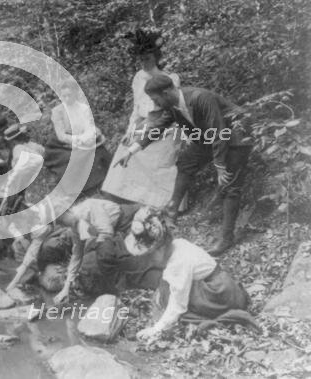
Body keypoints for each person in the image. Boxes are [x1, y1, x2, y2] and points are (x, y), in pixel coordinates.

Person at [114, 74, 252, 255]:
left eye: (156, 99)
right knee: (186, 162)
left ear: (166, 92)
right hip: (208, 137)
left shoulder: (201, 98)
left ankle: (226, 238)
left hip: (235, 135)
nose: (155, 104)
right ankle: (172, 210)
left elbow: (219, 131)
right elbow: (158, 127)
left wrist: (219, 165)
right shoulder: (172, 105)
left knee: (229, 184)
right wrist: (131, 151)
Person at [126, 207, 254, 342]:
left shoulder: (178, 262)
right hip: (225, 286)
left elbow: (178, 304)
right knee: (165, 286)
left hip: (220, 293)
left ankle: (193, 318)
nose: (150, 259)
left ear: (161, 248)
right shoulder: (178, 244)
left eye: (152, 254)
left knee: (172, 300)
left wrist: (156, 329)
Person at [102, 29, 182, 207]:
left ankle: (160, 201)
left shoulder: (170, 78)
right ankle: (126, 195)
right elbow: (137, 109)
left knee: (158, 155)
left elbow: (169, 110)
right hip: (145, 123)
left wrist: (149, 127)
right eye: (141, 59)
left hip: (165, 126)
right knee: (126, 145)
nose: (144, 62)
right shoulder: (138, 77)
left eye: (147, 58)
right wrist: (130, 130)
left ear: (155, 57)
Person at [51, 197, 139, 304]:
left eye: (61, 220)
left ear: (67, 211)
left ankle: (126, 293)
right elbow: (76, 256)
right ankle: (120, 291)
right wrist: (65, 289)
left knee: (104, 256)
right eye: (59, 223)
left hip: (129, 218)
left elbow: (106, 232)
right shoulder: (75, 227)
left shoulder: (89, 207)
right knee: (100, 254)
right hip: (115, 229)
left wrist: (96, 243)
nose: (61, 225)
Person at [44, 80, 111, 197]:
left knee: (100, 153)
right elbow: (61, 135)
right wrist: (77, 140)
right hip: (64, 143)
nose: (67, 98)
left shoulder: (83, 108)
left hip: (84, 138)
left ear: (75, 94)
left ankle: (103, 183)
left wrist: (87, 137)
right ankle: (80, 190)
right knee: (72, 159)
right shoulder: (57, 111)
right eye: (64, 96)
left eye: (69, 95)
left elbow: (89, 126)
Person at [0, 123, 45, 215]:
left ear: (12, 141)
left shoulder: (17, 149)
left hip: (27, 183)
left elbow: (21, 167)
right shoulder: (34, 145)